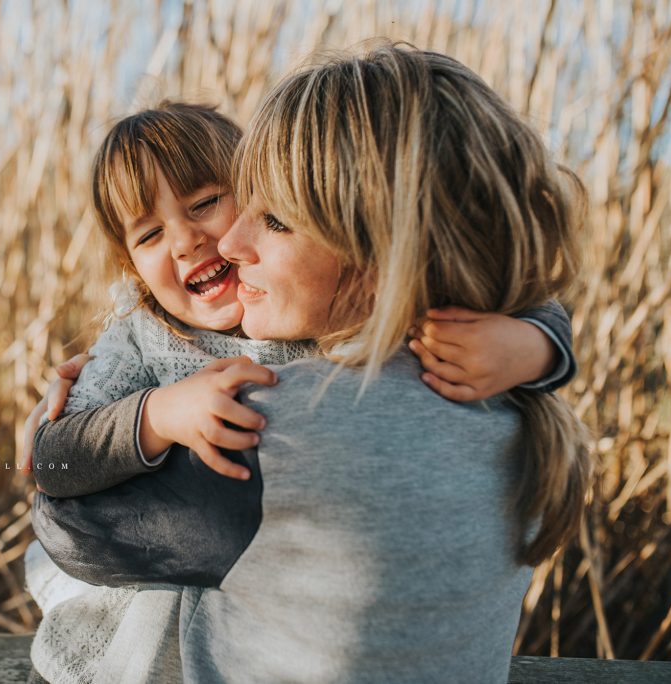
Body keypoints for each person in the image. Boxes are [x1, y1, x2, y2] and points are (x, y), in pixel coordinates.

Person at [30, 42, 590, 683]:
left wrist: (55, 441)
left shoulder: (273, 432)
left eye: (272, 218)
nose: (225, 242)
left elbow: (63, 528)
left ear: (373, 244)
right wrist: (539, 350)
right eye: (150, 234)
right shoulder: (506, 397)